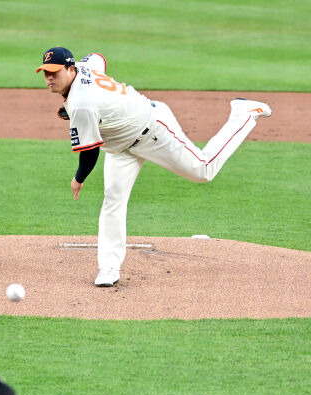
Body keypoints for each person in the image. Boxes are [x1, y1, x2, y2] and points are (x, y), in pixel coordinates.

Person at [36, 46, 272, 287]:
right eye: (46, 72)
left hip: (153, 131)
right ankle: (109, 268)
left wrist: (79, 178)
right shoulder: (84, 67)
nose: (49, 78)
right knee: (113, 200)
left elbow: (89, 151)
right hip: (121, 147)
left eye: (55, 72)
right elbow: (98, 58)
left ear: (71, 69)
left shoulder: (82, 104)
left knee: (203, 170)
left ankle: (244, 114)